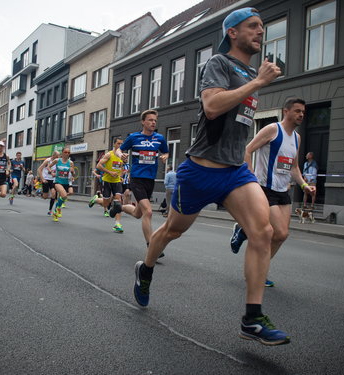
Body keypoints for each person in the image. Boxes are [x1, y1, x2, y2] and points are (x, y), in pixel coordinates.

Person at [132, 8, 291, 346]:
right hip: (201, 170)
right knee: (172, 230)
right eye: (253, 26)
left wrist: (255, 79)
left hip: (235, 172)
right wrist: (258, 81)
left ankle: (252, 318)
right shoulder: (219, 63)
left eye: (262, 27)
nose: (260, 32)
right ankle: (145, 269)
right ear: (232, 32)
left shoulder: (248, 71)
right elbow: (212, 108)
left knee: (263, 232)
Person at [230, 98, 316, 288]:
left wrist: (304, 186)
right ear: (286, 111)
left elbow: (294, 167)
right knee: (273, 232)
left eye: (303, 111)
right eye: (297, 111)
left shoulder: (297, 138)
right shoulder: (272, 130)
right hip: (264, 188)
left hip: (283, 189)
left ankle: (244, 232)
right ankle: (255, 272)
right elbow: (247, 151)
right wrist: (251, 177)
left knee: (281, 235)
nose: (301, 114)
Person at [113, 109, 169, 247]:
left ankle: (119, 207)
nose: (153, 122)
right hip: (137, 178)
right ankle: (152, 245)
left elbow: (166, 152)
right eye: (150, 120)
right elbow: (119, 149)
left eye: (155, 120)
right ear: (143, 122)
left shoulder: (160, 138)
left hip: (150, 179)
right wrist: (121, 155)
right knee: (148, 212)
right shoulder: (134, 137)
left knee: (138, 213)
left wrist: (164, 157)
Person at [88, 137, 125, 233]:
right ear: (114, 144)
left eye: (121, 144)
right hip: (107, 181)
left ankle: (117, 224)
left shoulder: (122, 156)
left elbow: (121, 168)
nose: (120, 146)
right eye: (118, 143)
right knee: (106, 203)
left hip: (116, 182)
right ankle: (96, 199)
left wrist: (120, 176)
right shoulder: (109, 154)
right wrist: (109, 172)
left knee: (118, 203)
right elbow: (98, 166)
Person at [48, 147, 74, 222]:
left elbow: (73, 173)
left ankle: (56, 209)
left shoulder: (71, 162)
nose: (67, 154)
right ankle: (58, 209)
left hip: (67, 182)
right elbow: (48, 167)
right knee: (64, 195)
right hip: (58, 181)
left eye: (68, 152)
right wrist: (52, 172)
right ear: (62, 153)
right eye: (65, 152)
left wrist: (72, 173)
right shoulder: (57, 160)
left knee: (70, 193)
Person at [37, 151, 59, 215]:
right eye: (57, 156)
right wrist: (42, 179)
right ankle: (40, 193)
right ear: (53, 156)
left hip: (53, 180)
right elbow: (39, 169)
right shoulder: (47, 161)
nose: (58, 158)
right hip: (46, 179)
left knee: (54, 194)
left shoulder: (57, 162)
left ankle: (50, 210)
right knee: (45, 197)